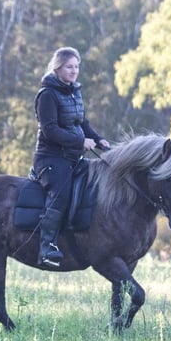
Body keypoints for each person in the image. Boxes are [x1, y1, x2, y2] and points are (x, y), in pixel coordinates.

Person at [32, 47, 110, 268]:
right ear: (58, 68)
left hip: (74, 157)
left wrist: (98, 139)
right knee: (61, 193)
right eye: (69, 67)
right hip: (51, 159)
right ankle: (47, 246)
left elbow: (81, 124)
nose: (74, 71)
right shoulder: (47, 95)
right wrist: (80, 142)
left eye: (76, 66)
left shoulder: (74, 91)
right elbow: (50, 131)